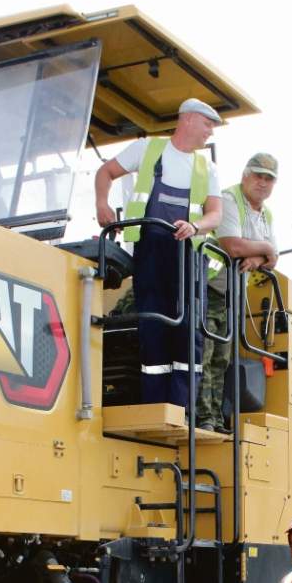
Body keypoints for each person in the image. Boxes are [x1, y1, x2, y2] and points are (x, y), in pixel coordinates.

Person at [94, 98, 223, 410]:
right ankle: (155, 404)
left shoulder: (207, 168)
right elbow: (105, 172)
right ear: (188, 119)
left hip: (188, 256)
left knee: (188, 328)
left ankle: (182, 408)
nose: (210, 131)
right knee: (153, 325)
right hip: (150, 250)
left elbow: (215, 214)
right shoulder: (147, 149)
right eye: (207, 124)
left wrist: (195, 226)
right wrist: (101, 204)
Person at [196, 153, 279, 433]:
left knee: (222, 359)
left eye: (269, 179)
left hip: (231, 295)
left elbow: (273, 259)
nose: (262, 183)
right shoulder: (228, 200)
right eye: (258, 176)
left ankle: (215, 418)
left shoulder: (266, 215)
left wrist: (258, 258)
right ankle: (202, 416)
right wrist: (265, 249)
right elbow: (232, 246)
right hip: (208, 286)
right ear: (245, 175)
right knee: (204, 355)